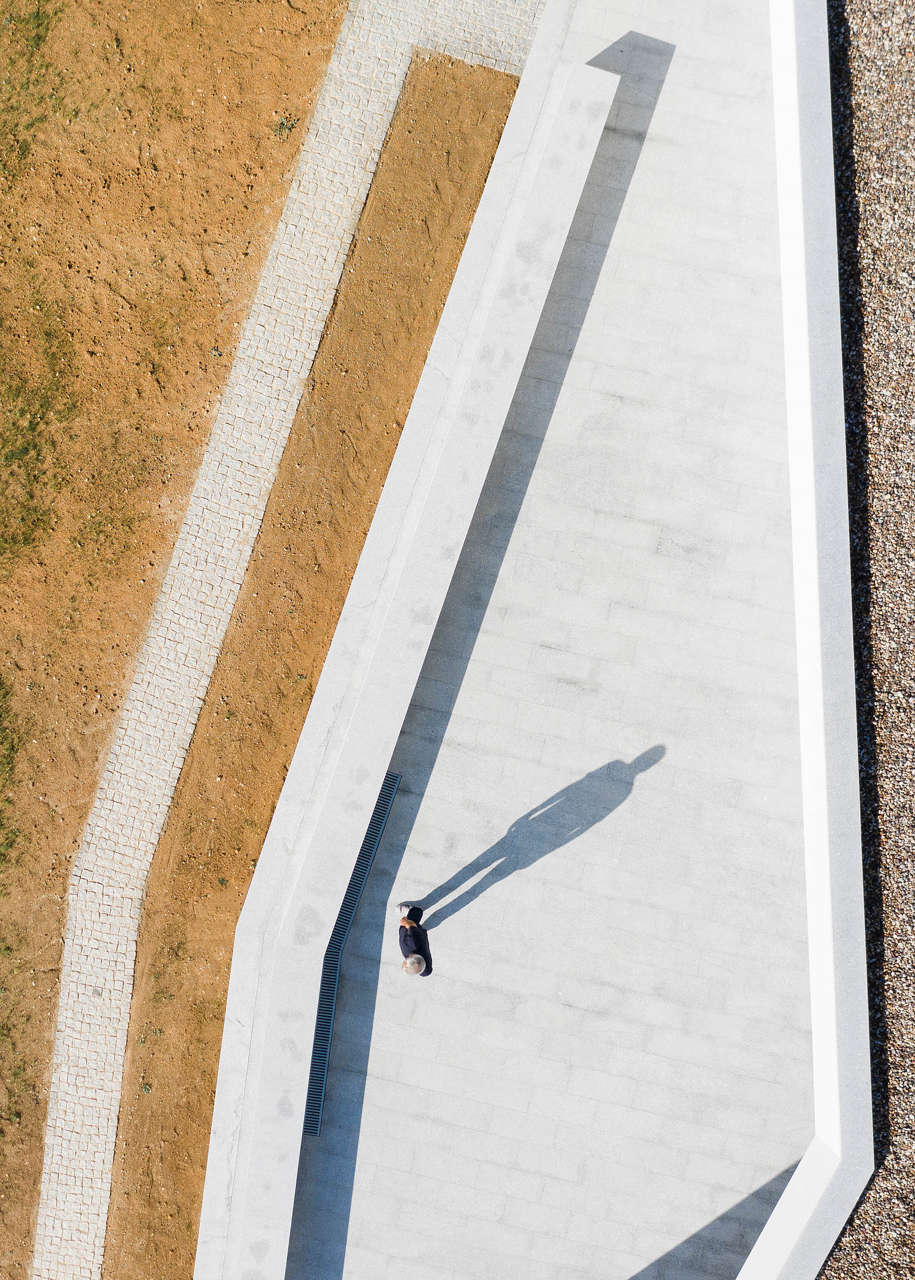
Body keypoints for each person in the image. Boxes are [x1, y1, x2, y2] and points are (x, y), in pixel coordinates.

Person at [396, 903, 433, 977]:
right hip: (411, 930)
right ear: (411, 956)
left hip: (421, 936)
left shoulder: (425, 969)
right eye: (405, 965)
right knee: (415, 917)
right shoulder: (412, 942)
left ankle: (419, 928)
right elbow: (411, 925)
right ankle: (414, 910)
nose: (403, 966)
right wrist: (404, 922)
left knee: (418, 930)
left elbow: (427, 972)